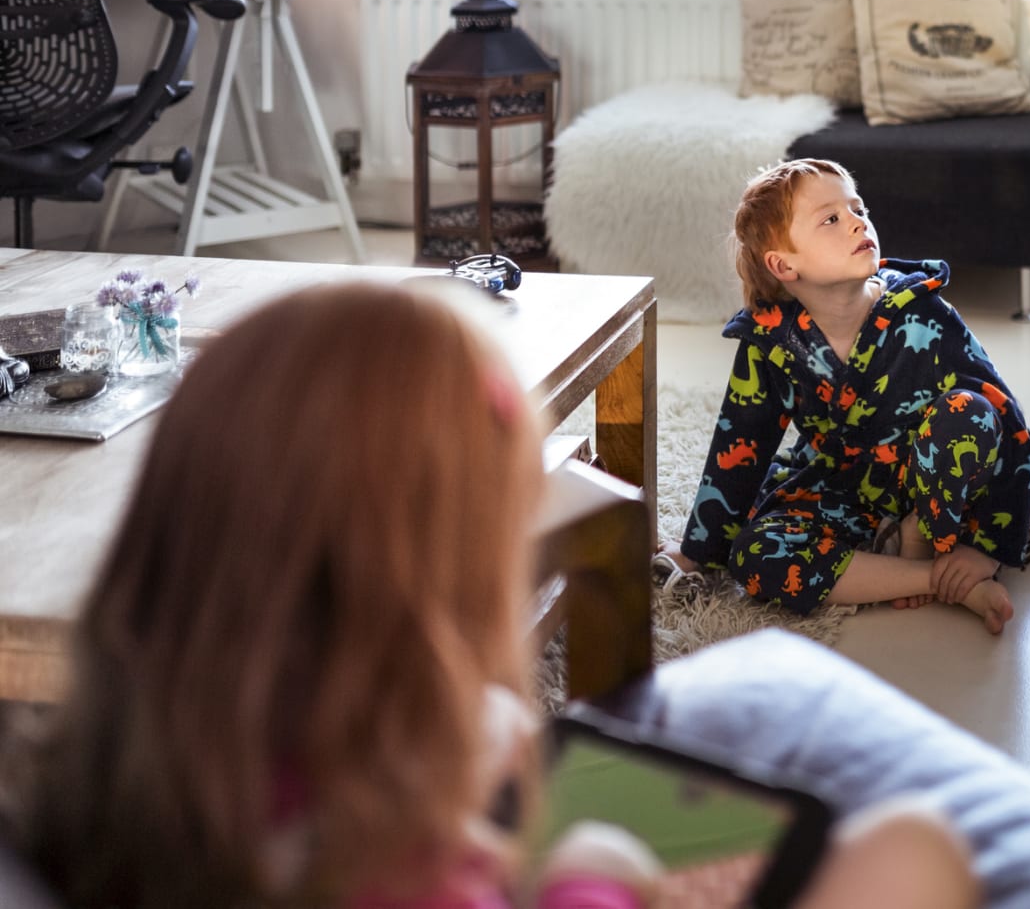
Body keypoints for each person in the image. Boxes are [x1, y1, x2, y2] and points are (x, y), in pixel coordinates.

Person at [7, 282, 975, 909]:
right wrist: (598, 867)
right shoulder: (403, 878)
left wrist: (470, 742)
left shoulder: (138, 765)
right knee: (914, 846)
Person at [660, 158, 1030, 634]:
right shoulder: (770, 344)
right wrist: (699, 550)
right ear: (784, 265)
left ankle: (928, 541)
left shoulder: (924, 313)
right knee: (754, 554)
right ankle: (935, 579)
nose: (857, 222)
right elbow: (739, 447)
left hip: (939, 484)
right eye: (831, 219)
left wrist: (987, 547)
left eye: (857, 208)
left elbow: (1003, 416)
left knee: (968, 412)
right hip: (848, 490)